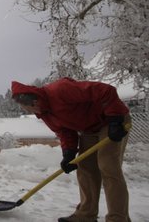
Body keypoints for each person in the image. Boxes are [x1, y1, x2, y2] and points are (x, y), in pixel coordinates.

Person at [11, 77, 131, 222]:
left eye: (29, 109)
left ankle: (118, 218)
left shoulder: (60, 90)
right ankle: (86, 215)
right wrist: (69, 153)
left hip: (111, 121)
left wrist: (115, 119)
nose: (33, 112)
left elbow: (105, 91)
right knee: (85, 167)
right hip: (90, 129)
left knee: (108, 166)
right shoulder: (45, 113)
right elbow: (64, 131)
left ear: (35, 101)